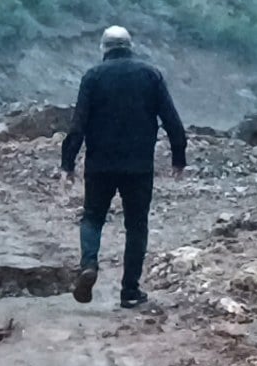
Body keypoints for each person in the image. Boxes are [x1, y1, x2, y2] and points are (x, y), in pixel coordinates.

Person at [61, 26, 188, 308]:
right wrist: (178, 156)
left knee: (93, 217)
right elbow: (171, 120)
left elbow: (78, 123)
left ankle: (89, 264)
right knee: (136, 225)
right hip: (138, 166)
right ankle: (130, 290)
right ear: (130, 46)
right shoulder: (150, 75)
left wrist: (67, 163)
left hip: (99, 165)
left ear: (103, 48)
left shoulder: (93, 77)